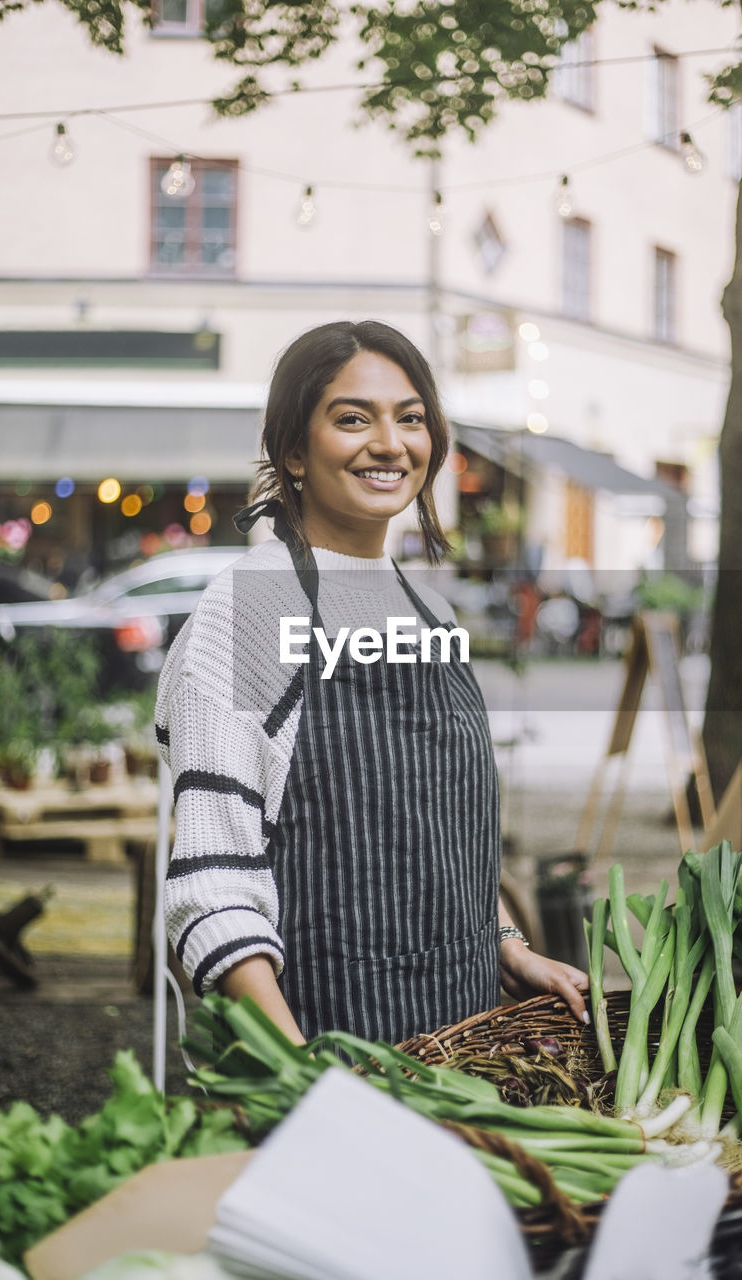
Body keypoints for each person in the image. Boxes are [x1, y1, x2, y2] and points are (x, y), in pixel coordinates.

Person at [156, 320, 589, 1047]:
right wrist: (299, 1079)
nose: (389, 443)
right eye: (352, 418)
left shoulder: (431, 610)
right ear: (293, 449)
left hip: (467, 1052)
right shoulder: (248, 613)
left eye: (410, 418)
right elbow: (212, 885)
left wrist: (504, 944)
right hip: (331, 1052)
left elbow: (437, 842)